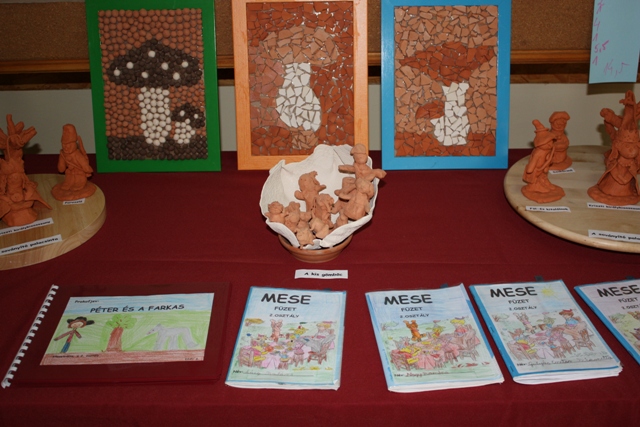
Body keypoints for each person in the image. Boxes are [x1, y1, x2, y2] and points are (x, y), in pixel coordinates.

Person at [51, 124, 96, 201]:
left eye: (69, 144)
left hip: (79, 174)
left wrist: (87, 169)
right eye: (64, 144)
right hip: (70, 174)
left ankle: (79, 184)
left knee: (78, 182)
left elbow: (85, 165)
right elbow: (61, 169)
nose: (66, 147)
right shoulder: (63, 154)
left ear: (74, 144)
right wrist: (61, 158)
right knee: (68, 180)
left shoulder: (77, 155)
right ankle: (69, 184)